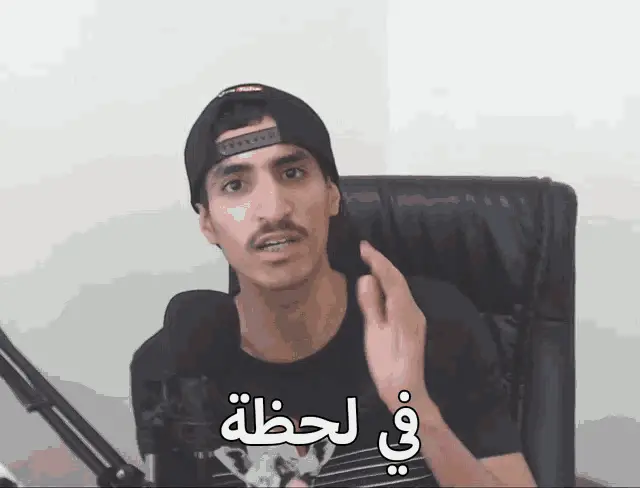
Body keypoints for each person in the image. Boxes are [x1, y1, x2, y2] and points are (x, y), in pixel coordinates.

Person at [130, 83, 537, 487]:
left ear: (332, 195)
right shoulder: (173, 366)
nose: (273, 210)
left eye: (292, 173)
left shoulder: (427, 321)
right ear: (207, 223)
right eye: (235, 185)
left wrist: (412, 402)